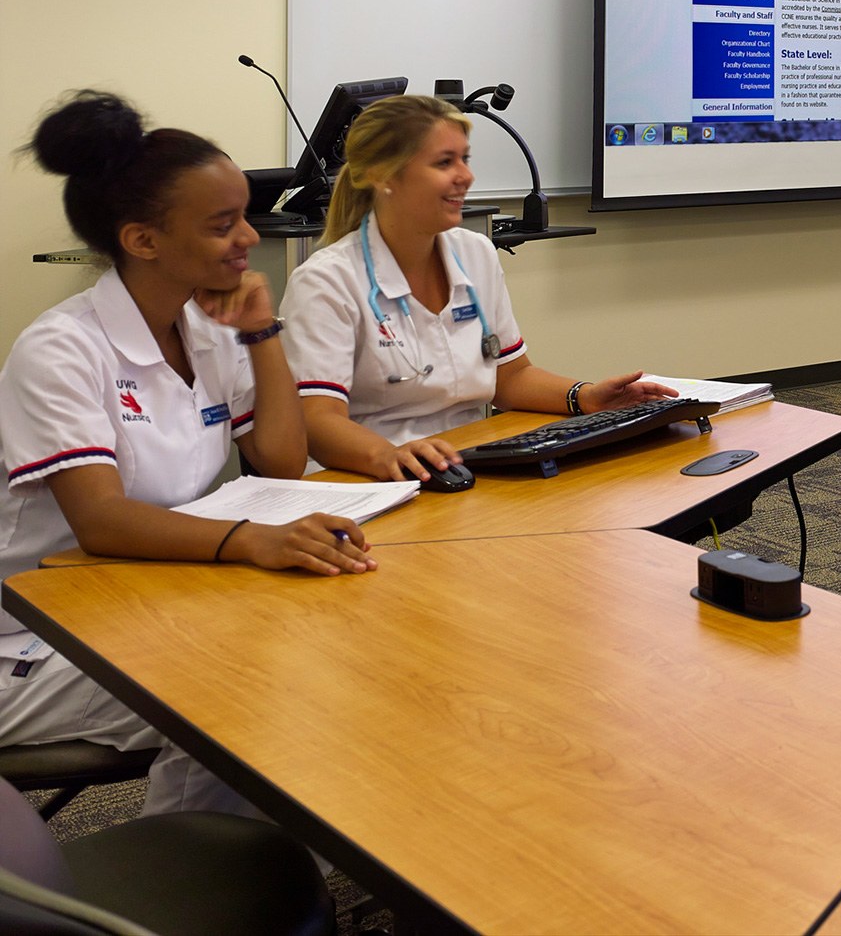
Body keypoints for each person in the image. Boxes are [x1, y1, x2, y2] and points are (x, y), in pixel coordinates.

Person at [0, 92, 374, 816]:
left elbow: (280, 462)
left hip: (149, 597)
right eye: (222, 224)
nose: (247, 237)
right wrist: (252, 542)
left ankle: (238, 870)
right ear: (142, 241)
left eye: (243, 215)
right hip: (29, 640)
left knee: (321, 641)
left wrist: (263, 336)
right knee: (244, 689)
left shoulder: (205, 328)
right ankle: (197, 882)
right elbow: (102, 522)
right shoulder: (61, 349)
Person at [280, 94, 674, 479]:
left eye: (465, 159)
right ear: (382, 176)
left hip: (467, 462)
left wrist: (585, 396)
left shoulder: (475, 253)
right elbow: (315, 421)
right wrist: (390, 455)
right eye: (444, 162)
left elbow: (511, 376)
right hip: (369, 479)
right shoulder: (327, 281)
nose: (466, 176)